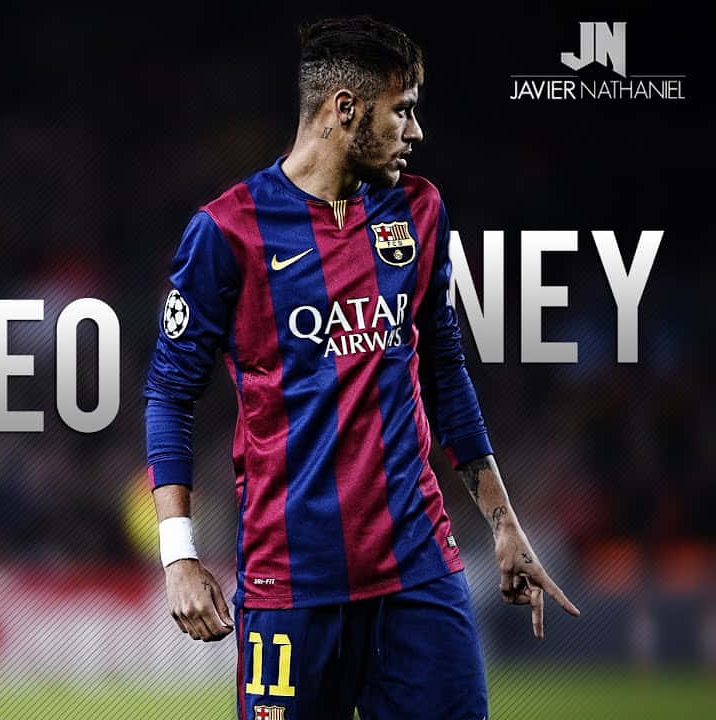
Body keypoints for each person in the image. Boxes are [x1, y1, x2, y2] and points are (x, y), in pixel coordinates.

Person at [143, 15, 579, 719]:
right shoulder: (228, 231)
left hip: (418, 573)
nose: (416, 131)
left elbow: (444, 371)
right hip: (291, 581)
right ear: (345, 109)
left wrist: (503, 522)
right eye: (401, 111)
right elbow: (169, 393)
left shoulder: (419, 210)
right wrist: (178, 555)